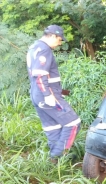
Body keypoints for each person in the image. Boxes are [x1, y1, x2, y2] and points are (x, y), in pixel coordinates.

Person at [26, 25, 81, 162]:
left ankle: (56, 165)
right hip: (47, 95)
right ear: (52, 36)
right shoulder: (44, 50)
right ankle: (56, 156)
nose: (60, 43)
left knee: (53, 128)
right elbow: (39, 75)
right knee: (73, 123)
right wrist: (48, 95)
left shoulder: (34, 47)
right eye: (59, 39)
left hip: (36, 94)